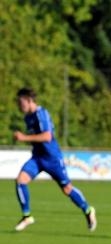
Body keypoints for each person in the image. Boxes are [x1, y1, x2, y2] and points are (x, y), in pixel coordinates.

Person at [12, 87, 97, 232]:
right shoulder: (28, 117)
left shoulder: (41, 114)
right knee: (20, 181)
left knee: (67, 189)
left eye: (21, 103)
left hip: (52, 159)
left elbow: (47, 136)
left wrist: (24, 137)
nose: (20, 106)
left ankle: (88, 210)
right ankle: (27, 216)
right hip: (38, 158)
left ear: (28, 100)